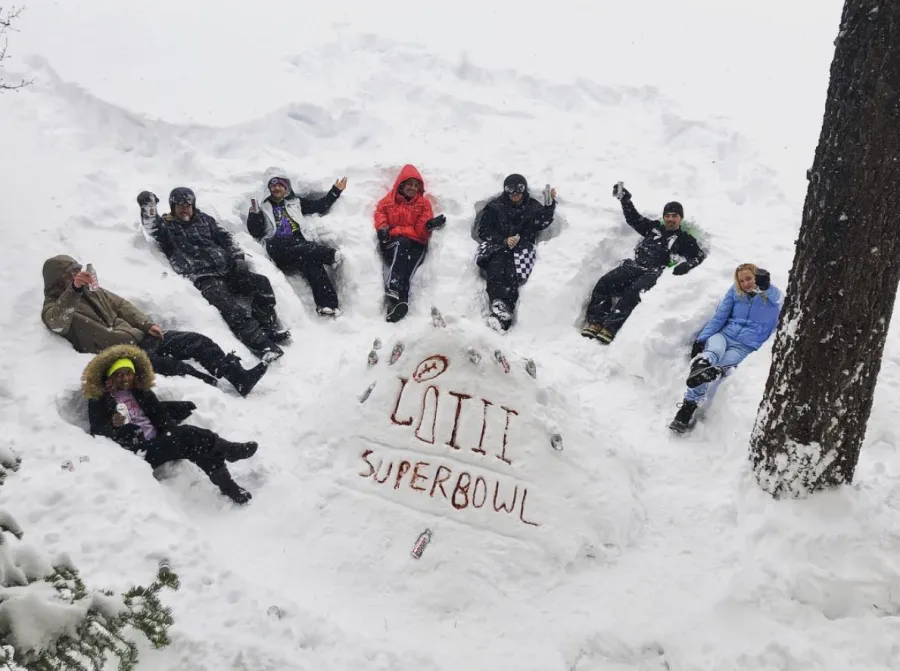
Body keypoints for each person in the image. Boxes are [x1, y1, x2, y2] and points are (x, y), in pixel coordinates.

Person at [42, 255, 267, 397]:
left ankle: (237, 377)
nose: (78, 274)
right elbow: (58, 323)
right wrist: (74, 290)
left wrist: (146, 324)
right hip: (120, 354)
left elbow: (122, 306)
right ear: (57, 279)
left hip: (141, 337)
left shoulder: (95, 290)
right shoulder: (53, 307)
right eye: (71, 273)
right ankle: (213, 393)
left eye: (77, 269)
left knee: (197, 341)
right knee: (176, 368)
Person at [83, 345, 257, 503]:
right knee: (189, 435)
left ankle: (230, 488)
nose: (125, 378)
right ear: (110, 376)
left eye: (128, 373)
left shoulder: (141, 391)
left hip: (157, 440)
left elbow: (160, 415)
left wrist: (174, 432)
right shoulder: (100, 398)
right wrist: (114, 424)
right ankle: (228, 450)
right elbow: (97, 431)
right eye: (119, 374)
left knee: (197, 446)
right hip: (138, 450)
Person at [137, 188, 287, 361]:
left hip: (228, 269)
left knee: (262, 283)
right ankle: (262, 344)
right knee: (231, 309)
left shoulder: (205, 220)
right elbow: (151, 225)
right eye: (180, 206)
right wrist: (148, 205)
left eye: (188, 205)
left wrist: (238, 259)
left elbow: (227, 238)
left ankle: (267, 328)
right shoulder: (167, 227)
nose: (185, 209)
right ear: (172, 207)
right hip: (204, 277)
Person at [581, 183, 706, 344]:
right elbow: (634, 218)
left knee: (633, 292)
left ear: (680, 218)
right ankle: (596, 322)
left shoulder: (685, 239)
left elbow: (699, 256)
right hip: (635, 265)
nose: (670, 219)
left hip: (654, 272)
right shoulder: (653, 228)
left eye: (674, 216)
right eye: (667, 216)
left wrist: (686, 265)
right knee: (605, 282)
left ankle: (610, 328)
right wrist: (625, 200)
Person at [669, 264, 782, 433]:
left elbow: (779, 298)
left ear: (756, 277)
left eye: (749, 278)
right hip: (724, 335)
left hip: (745, 345)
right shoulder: (735, 292)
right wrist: (701, 339)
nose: (745, 283)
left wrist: (765, 286)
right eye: (741, 280)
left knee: (720, 365)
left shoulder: (771, 296)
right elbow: (719, 316)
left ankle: (693, 398)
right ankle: (693, 391)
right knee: (712, 352)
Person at [246, 168, 347, 317]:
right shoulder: (262, 208)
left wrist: (335, 191)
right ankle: (328, 255)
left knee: (312, 262)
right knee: (284, 244)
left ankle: (328, 305)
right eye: (273, 185)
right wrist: (253, 215)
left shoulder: (295, 203)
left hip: (299, 247)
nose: (276, 188)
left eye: (280, 184)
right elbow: (255, 231)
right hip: (278, 249)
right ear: (268, 188)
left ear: (286, 187)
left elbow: (319, 206)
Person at [476, 174, 556, 331]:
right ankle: (498, 304)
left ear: (524, 189)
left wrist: (550, 205)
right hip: (498, 248)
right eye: (510, 189)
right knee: (496, 269)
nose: (515, 193)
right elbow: (484, 231)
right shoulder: (495, 207)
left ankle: (505, 311)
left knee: (512, 274)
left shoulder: (532, 206)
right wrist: (504, 240)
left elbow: (542, 222)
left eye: (519, 189)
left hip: (522, 250)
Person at [373, 165, 446, 322]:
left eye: (416, 185)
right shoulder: (389, 201)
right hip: (394, 243)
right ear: (401, 184)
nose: (413, 188)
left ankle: (399, 305)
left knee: (407, 271)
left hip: (416, 245)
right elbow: (380, 214)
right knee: (402, 243)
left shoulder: (423, 204)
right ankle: (393, 285)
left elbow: (420, 230)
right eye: (409, 184)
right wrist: (382, 228)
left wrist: (428, 225)